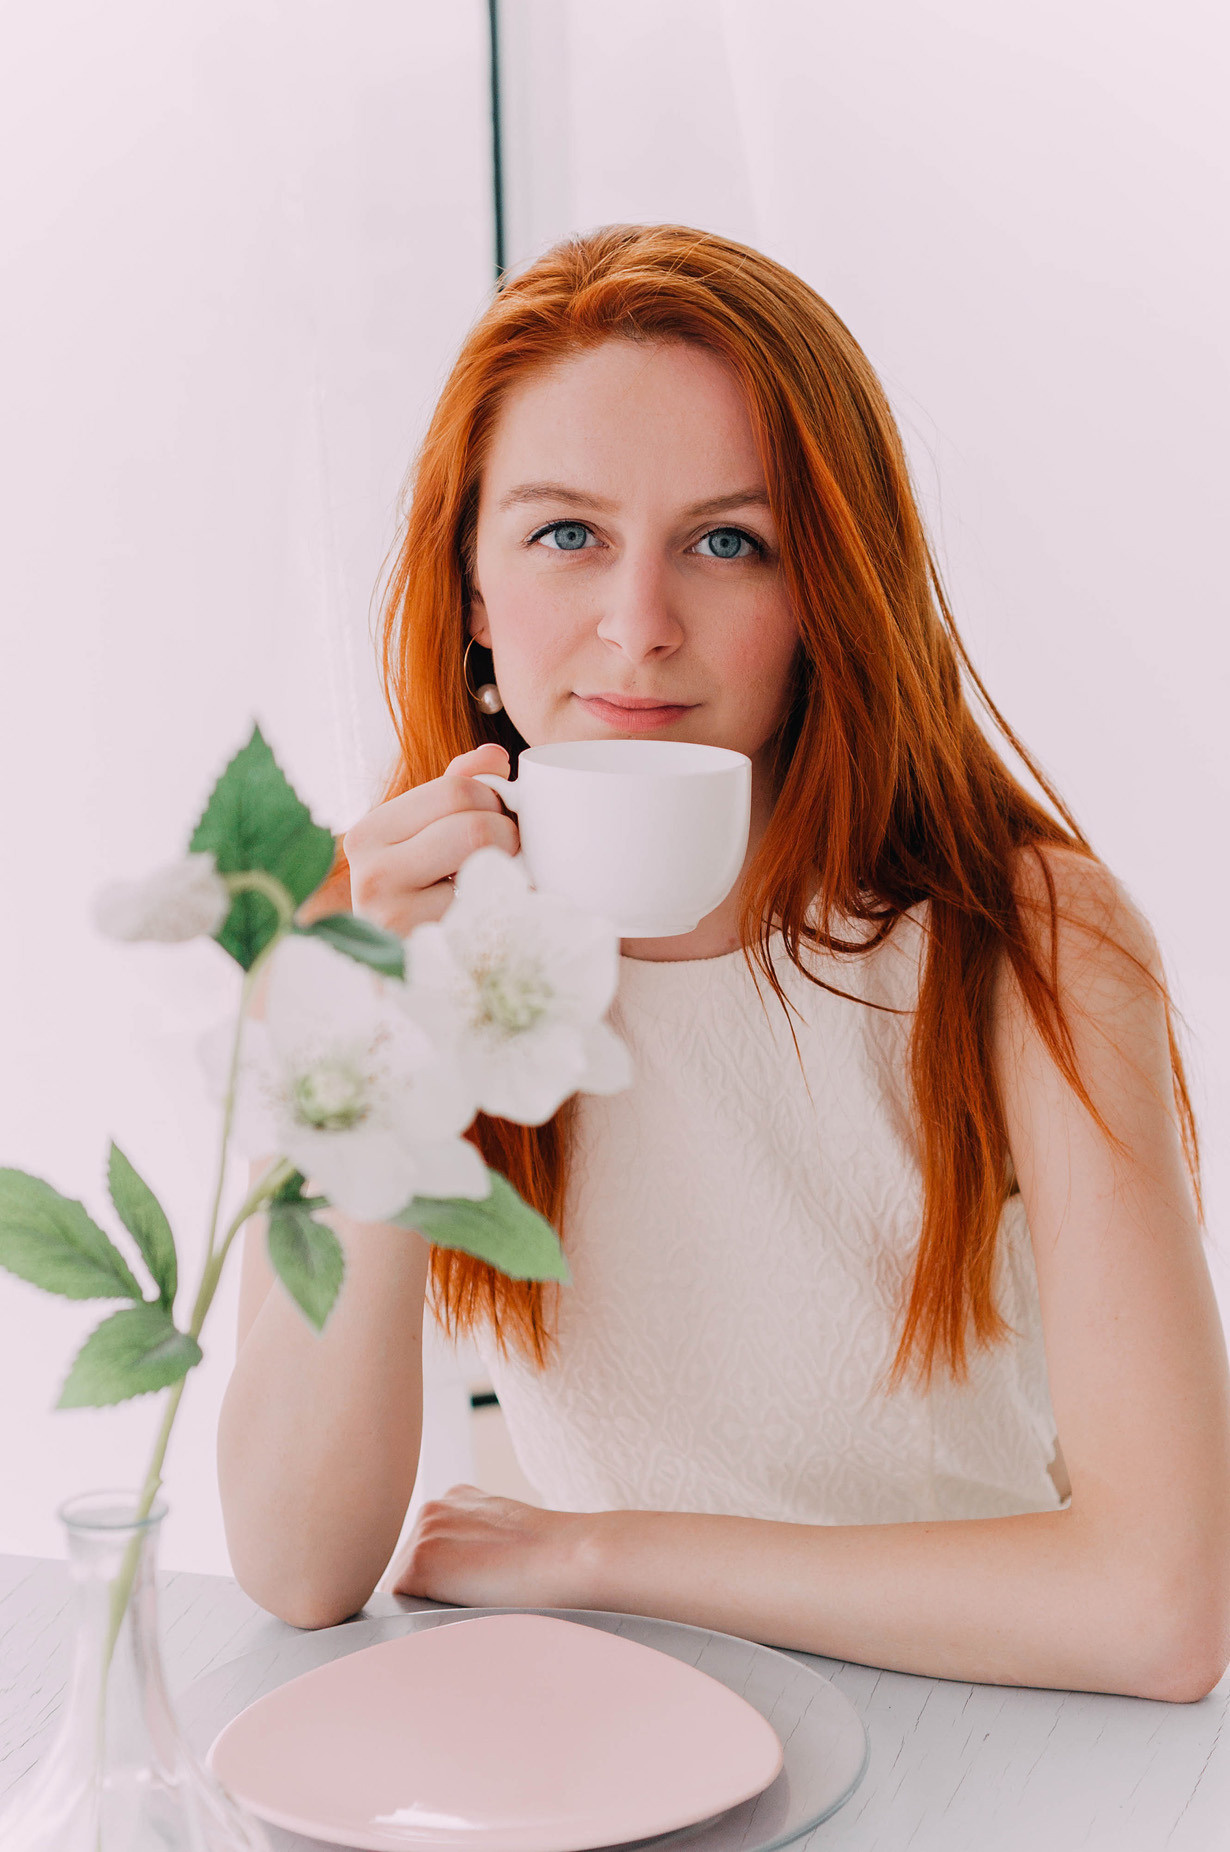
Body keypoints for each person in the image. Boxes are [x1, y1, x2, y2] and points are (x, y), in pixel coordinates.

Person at [217, 224, 1230, 1701]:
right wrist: (374, 1047)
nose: (638, 629)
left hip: (1001, 1745)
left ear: (820, 597)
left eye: (727, 540)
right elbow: (298, 1564)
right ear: (478, 602)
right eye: (566, 535)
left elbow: (1158, 1610)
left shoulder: (1030, 945)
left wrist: (595, 1554)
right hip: (643, 1749)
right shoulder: (380, 938)